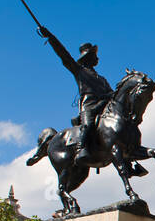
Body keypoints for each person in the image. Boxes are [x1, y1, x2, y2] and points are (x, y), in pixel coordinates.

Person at [37, 25, 113, 167]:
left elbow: (111, 94)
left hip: (104, 106)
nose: (97, 58)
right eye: (94, 55)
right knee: (88, 125)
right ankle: (82, 149)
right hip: (89, 106)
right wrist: (50, 37)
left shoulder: (102, 79)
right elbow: (63, 54)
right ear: (88, 57)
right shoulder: (79, 71)